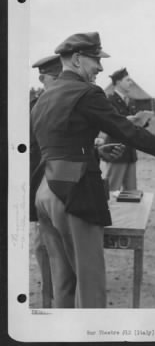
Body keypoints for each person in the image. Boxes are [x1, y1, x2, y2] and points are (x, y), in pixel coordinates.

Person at [30, 32, 155, 308]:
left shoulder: (45, 96)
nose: (100, 68)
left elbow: (60, 141)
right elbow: (126, 131)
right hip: (73, 192)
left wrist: (94, 151)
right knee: (90, 284)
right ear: (77, 59)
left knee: (62, 282)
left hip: (44, 191)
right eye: (95, 60)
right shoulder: (87, 92)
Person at [30, 55, 63, 307]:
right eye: (57, 78)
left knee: (60, 246)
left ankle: (59, 297)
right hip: (37, 187)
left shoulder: (64, 105)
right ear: (43, 79)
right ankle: (47, 303)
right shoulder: (29, 108)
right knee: (43, 244)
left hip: (60, 190)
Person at [105, 68, 138, 191]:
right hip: (116, 150)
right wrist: (127, 119)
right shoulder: (109, 101)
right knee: (112, 188)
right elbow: (110, 124)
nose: (131, 83)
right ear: (118, 82)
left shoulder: (130, 101)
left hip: (130, 151)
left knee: (131, 191)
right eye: (128, 80)